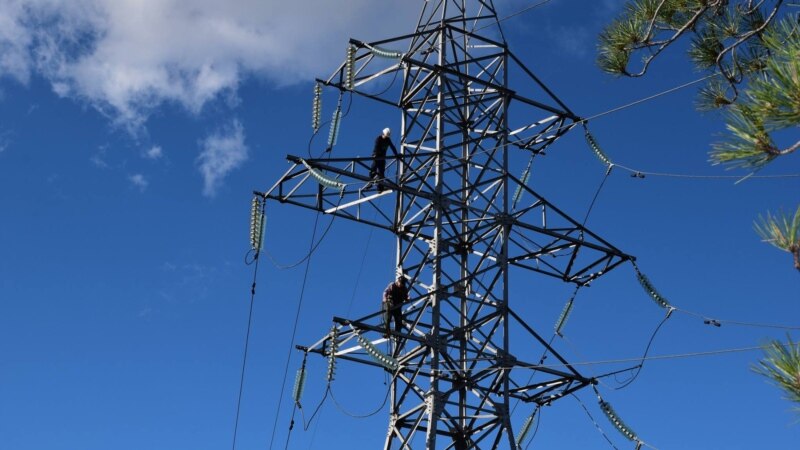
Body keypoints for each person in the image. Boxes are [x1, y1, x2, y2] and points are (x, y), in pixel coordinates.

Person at [367, 127, 397, 192]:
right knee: (373, 170)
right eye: (385, 136)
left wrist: (396, 154)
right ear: (383, 134)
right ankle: (370, 182)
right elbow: (376, 147)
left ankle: (380, 188)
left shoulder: (388, 140)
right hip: (377, 157)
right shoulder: (378, 139)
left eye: (387, 136)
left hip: (382, 158)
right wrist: (375, 155)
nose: (385, 137)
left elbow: (393, 147)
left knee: (381, 174)